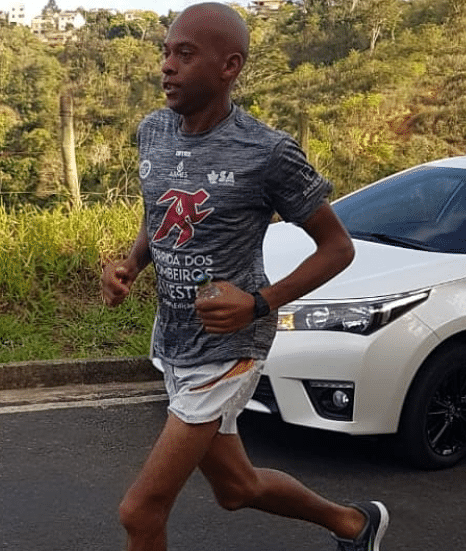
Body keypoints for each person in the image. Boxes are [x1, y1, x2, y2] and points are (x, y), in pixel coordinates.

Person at [100, 3, 389, 551]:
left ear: (229, 66)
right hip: (175, 337)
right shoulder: (153, 131)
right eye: (165, 52)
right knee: (236, 487)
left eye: (185, 54)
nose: (167, 66)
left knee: (140, 511)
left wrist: (258, 303)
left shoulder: (268, 152)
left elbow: (337, 248)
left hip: (230, 347)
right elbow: (161, 211)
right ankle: (355, 524)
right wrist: (132, 264)